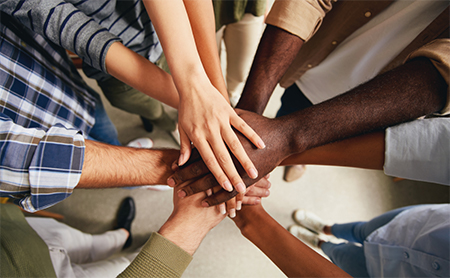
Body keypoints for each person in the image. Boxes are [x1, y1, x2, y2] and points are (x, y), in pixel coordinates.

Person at [166, 0, 449, 205]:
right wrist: (250, 118)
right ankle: (281, 146)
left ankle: (297, 156)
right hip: (314, 65)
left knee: (305, 138)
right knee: (285, 115)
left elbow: (442, 73)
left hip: (383, 106)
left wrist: (287, 139)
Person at [0, 0, 266, 197]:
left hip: (173, 21)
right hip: (116, 67)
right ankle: (166, 124)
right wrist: (193, 95)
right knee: (153, 113)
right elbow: (61, 20)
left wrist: (211, 95)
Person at [288, 204, 450, 277]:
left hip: (382, 275)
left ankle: (320, 243)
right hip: (416, 225)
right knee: (360, 230)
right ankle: (326, 228)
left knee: (340, 255)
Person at [213, 0, 267, 107]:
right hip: (208, 5)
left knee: (241, 73)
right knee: (206, 71)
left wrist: (265, 7)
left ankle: (232, 97)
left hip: (250, 5)